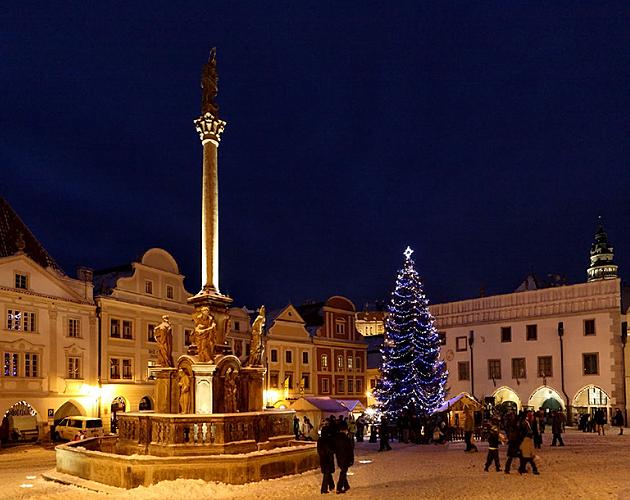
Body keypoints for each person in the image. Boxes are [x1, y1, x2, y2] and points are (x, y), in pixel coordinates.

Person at [334, 420, 355, 494]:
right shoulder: (346, 438)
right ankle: (339, 487)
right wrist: (351, 459)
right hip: (345, 457)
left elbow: (335, 448)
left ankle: (346, 486)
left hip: (339, 457)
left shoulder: (336, 438)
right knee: (343, 472)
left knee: (343, 470)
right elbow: (349, 449)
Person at [317, 423, 336, 494]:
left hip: (323, 458)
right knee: (327, 473)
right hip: (328, 458)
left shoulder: (320, 440)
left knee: (327, 472)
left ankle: (331, 485)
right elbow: (331, 449)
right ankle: (324, 489)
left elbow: (319, 450)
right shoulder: (328, 440)